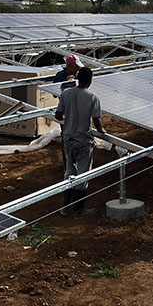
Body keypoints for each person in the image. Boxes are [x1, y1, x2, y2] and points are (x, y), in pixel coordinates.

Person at [55, 67, 104, 218]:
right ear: (90, 81)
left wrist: (69, 120)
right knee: (83, 175)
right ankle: (78, 210)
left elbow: (58, 115)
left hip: (67, 139)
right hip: (83, 141)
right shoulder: (92, 97)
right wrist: (102, 131)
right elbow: (96, 120)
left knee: (69, 171)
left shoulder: (66, 94)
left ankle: (64, 207)